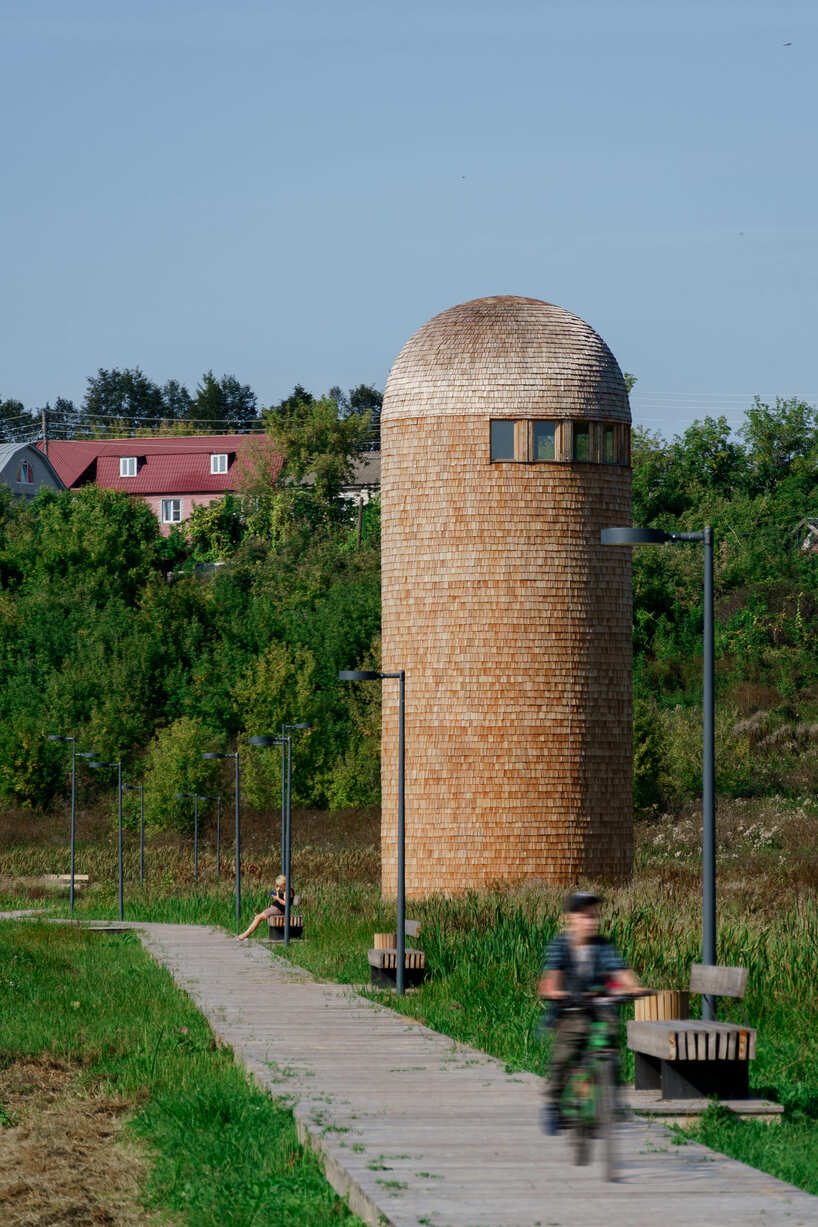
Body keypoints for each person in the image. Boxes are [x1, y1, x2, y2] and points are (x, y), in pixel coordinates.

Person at [537, 890, 643, 1136]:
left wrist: (633, 986)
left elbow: (619, 969)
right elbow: (551, 979)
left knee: (611, 1043)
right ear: (570, 918)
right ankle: (553, 1103)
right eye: (585, 916)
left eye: (594, 916)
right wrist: (555, 993)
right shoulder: (560, 946)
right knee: (565, 1053)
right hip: (571, 1010)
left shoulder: (603, 946)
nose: (591, 921)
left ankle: (612, 1095)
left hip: (599, 1006)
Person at [236, 874, 297, 941]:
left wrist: (277, 898)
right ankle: (245, 935)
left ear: (283, 883)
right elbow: (282, 899)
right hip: (275, 908)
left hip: (277, 909)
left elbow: (286, 904)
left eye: (279, 885)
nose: (278, 886)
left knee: (258, 917)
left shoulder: (288, 891)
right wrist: (277, 891)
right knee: (257, 917)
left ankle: (244, 935)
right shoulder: (286, 890)